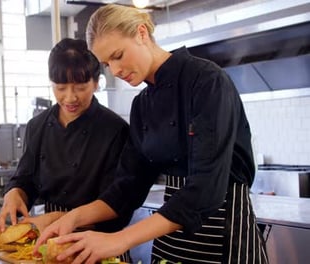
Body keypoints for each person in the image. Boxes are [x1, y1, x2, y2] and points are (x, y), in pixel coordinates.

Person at [34, 4, 269, 264]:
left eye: (118, 55)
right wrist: (72, 218)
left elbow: (206, 189)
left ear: (142, 33)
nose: (115, 70)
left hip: (224, 236)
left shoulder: (207, 81)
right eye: (107, 63)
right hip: (171, 242)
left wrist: (120, 240)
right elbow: (126, 189)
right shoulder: (142, 105)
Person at [0, 38, 132, 261]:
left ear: (96, 83)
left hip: (99, 240)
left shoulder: (115, 130)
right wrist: (14, 193)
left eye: (80, 87)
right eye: (60, 88)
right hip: (48, 241)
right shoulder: (37, 126)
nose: (70, 97)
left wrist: (59, 219)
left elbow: (118, 204)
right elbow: (25, 178)